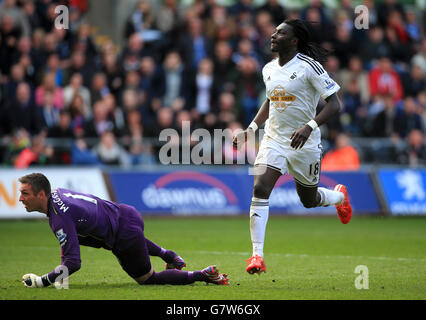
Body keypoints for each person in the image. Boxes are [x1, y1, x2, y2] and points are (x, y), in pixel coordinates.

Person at [233, 19, 352, 275]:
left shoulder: (310, 67)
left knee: (308, 200)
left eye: (280, 32)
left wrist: (309, 126)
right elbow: (271, 101)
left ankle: (339, 196)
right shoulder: (268, 69)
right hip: (274, 139)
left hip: (305, 143)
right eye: (274, 31)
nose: (273, 35)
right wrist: (251, 129)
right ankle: (257, 256)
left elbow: (334, 104)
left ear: (294, 40)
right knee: (260, 187)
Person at [18, 173, 229, 288]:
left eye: (25, 193)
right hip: (126, 213)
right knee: (120, 241)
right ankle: (169, 255)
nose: (20, 199)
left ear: (41, 194)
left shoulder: (59, 218)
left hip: (122, 236)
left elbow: (73, 263)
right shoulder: (58, 193)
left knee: (148, 279)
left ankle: (203, 275)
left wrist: (42, 281)